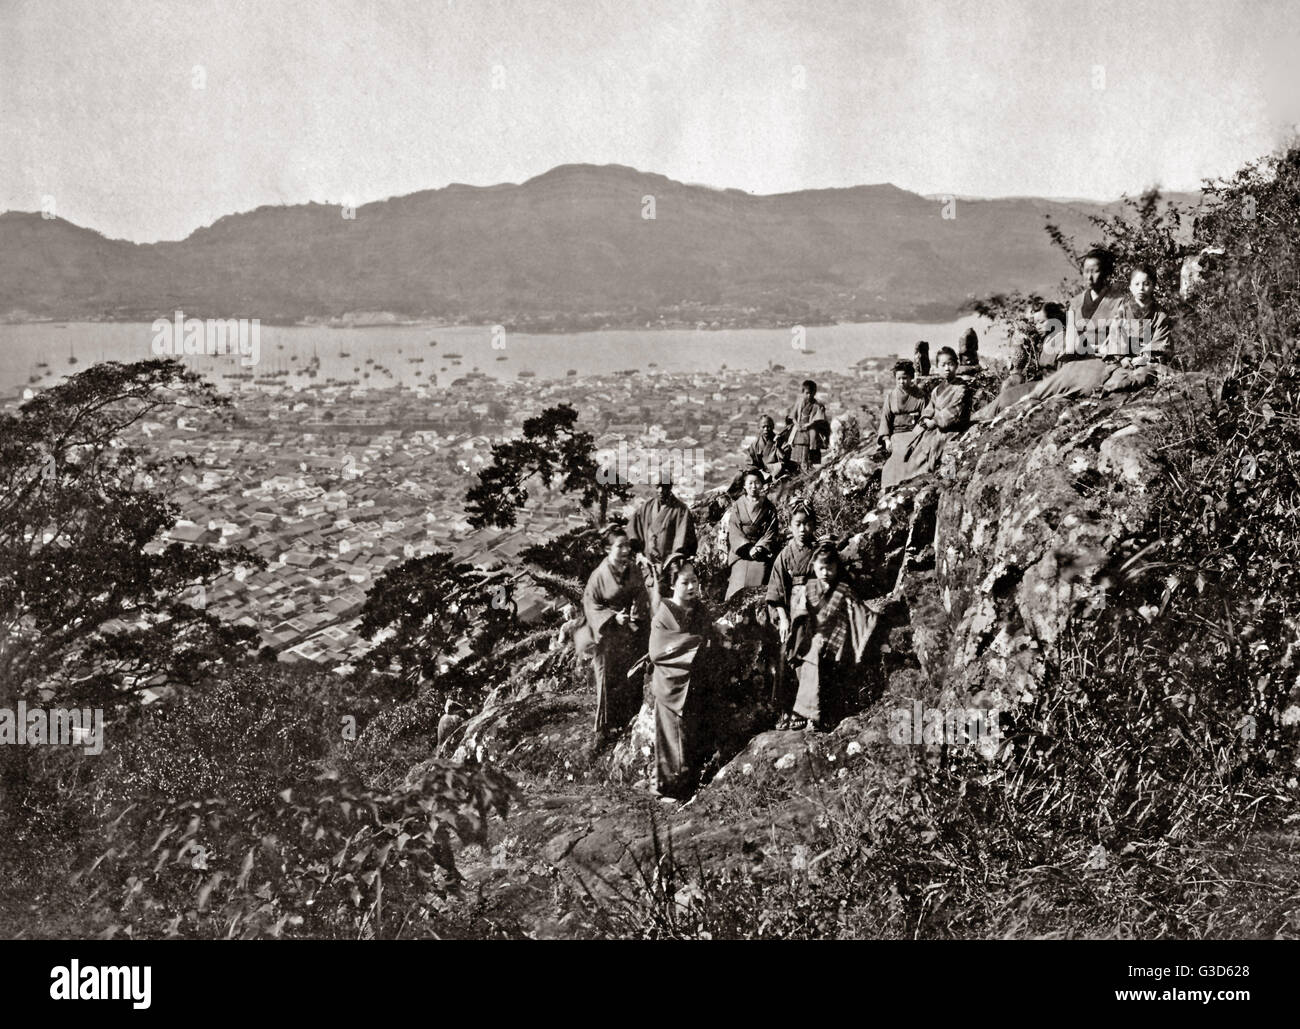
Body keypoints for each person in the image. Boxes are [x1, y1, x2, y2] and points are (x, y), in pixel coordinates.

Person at [648, 556, 718, 799]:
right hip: (672, 684)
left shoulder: (699, 609)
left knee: (692, 738)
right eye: (684, 582)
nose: (691, 587)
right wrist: (697, 642)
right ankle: (669, 788)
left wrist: (716, 632)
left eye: (694, 581)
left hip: (694, 682)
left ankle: (690, 786)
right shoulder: (663, 614)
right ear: (672, 585)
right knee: (672, 739)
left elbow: (708, 633)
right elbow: (658, 650)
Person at [789, 542, 872, 733]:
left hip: (837, 637)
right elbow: (800, 614)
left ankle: (811, 715)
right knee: (807, 655)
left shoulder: (843, 589)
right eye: (821, 568)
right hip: (812, 635)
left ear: (837, 567)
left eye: (830, 568)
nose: (825, 572)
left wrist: (871, 621)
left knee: (817, 656)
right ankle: (805, 713)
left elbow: (860, 612)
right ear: (814, 567)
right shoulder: (808, 588)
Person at [582, 526, 651, 742]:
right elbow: (590, 606)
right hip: (609, 637)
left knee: (633, 676)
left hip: (632, 631)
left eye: (627, 545)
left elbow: (641, 593)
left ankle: (632, 720)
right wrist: (613, 617)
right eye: (620, 546)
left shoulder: (633, 569)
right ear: (607, 549)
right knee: (610, 682)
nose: (625, 550)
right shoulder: (598, 577)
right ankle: (608, 730)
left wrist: (636, 614)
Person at [880, 346, 972, 491]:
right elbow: (929, 409)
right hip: (932, 429)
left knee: (923, 455)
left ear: (956, 365)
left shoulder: (962, 388)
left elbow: (954, 412)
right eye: (943, 365)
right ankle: (894, 483)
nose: (947, 368)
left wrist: (934, 421)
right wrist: (925, 420)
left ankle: (910, 482)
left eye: (950, 364)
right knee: (909, 452)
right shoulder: (937, 390)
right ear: (938, 367)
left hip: (950, 429)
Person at [765, 504, 818, 729]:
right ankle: (786, 709)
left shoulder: (819, 552)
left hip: (814, 611)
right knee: (784, 655)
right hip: (791, 612)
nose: (803, 529)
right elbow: (775, 592)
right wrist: (783, 618)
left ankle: (805, 710)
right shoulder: (785, 555)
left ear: (813, 525)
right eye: (798, 524)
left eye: (807, 524)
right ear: (790, 526)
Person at [629, 471, 697, 599]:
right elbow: (634, 532)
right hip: (648, 567)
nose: (661, 490)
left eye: (664, 486)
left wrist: (673, 561)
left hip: (670, 568)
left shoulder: (681, 510)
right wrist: (640, 554)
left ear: (670, 487)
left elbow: (682, 541)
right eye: (657, 486)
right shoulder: (646, 508)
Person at [725, 470, 778, 600]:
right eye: (750, 483)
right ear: (744, 486)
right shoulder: (738, 505)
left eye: (757, 483)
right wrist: (748, 549)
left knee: (757, 590)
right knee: (735, 590)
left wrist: (759, 547)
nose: (753, 486)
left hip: (761, 553)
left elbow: (771, 531)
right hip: (741, 553)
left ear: (762, 484)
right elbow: (734, 530)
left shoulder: (769, 507)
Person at [1105, 263, 1172, 366]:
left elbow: (1160, 342)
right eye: (1136, 284)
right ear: (1130, 287)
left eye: (1146, 284)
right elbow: (1116, 335)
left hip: (1150, 361)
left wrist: (1145, 357)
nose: (1141, 288)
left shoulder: (1160, 315)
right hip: (1124, 361)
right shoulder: (1123, 311)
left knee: (1145, 374)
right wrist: (1122, 358)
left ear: (1153, 286)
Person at [1062, 248, 1122, 360]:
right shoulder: (1075, 303)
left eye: (1095, 271)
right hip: (1077, 359)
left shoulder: (1118, 302)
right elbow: (1070, 340)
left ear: (1106, 272)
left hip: (1104, 359)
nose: (1089, 277)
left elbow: (1117, 338)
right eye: (1086, 271)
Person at [728, 415, 793, 495]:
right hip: (761, 473)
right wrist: (754, 469)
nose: (766, 429)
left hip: (776, 472)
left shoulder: (780, 440)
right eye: (763, 427)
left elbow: (785, 460)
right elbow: (750, 461)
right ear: (759, 428)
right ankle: (731, 495)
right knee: (740, 474)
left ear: (773, 427)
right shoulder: (756, 444)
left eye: (768, 426)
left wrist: (778, 447)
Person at [876, 359, 926, 454]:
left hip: (916, 434)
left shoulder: (920, 396)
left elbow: (925, 418)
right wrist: (886, 440)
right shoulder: (891, 396)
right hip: (896, 435)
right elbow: (885, 419)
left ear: (911, 377)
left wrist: (918, 433)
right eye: (898, 379)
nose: (901, 382)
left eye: (904, 378)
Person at [786, 380, 830, 472]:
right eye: (807, 393)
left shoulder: (818, 405)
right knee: (793, 446)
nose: (809, 395)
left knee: (810, 447)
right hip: (798, 427)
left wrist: (808, 425)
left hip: (811, 428)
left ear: (814, 393)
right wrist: (797, 424)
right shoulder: (799, 403)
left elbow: (817, 419)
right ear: (803, 392)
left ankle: (808, 466)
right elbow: (793, 416)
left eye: (811, 393)